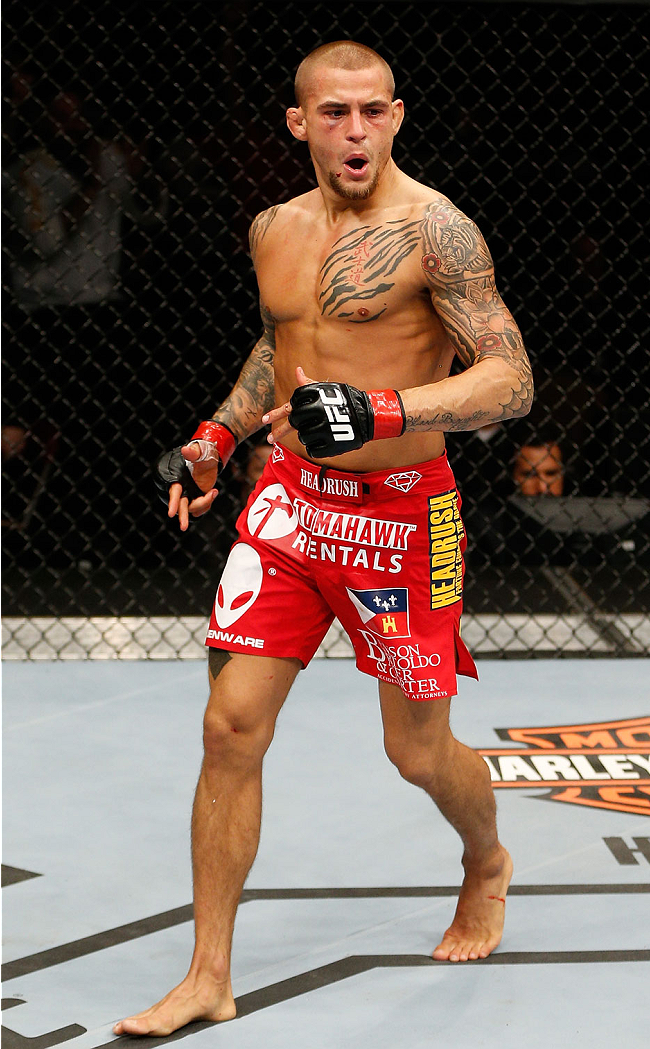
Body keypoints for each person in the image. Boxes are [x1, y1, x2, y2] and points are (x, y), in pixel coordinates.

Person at [114, 40, 532, 1036]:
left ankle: (485, 857)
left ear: (395, 116)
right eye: (333, 113)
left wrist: (382, 408)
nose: (355, 131)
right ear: (298, 123)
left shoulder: (437, 230)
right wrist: (216, 434)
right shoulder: (274, 227)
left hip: (403, 515)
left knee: (416, 751)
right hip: (291, 503)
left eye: (371, 112)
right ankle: (209, 971)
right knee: (229, 724)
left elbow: (509, 378)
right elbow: (283, 341)